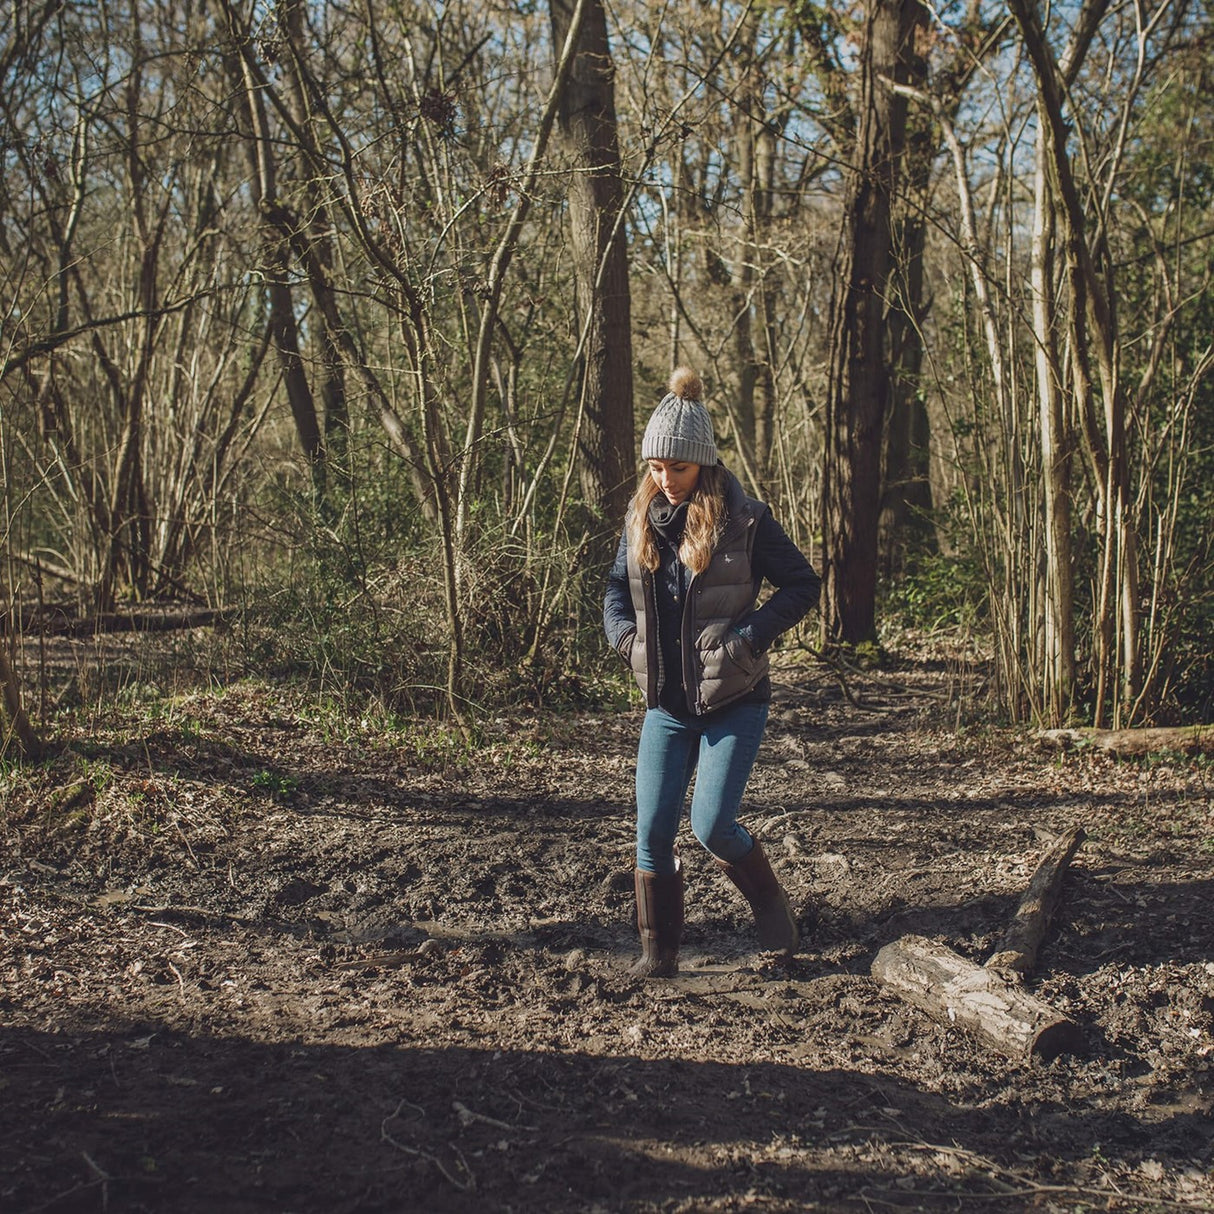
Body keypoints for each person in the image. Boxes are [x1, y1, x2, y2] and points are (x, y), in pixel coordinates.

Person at [603, 367, 821, 978]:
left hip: (734, 697)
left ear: (703, 464)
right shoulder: (639, 518)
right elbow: (615, 589)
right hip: (667, 704)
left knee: (712, 826)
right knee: (651, 833)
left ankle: (775, 914)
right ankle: (659, 956)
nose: (664, 480)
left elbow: (803, 584)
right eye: (655, 467)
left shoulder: (745, 521)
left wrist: (750, 638)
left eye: (677, 468)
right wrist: (626, 641)